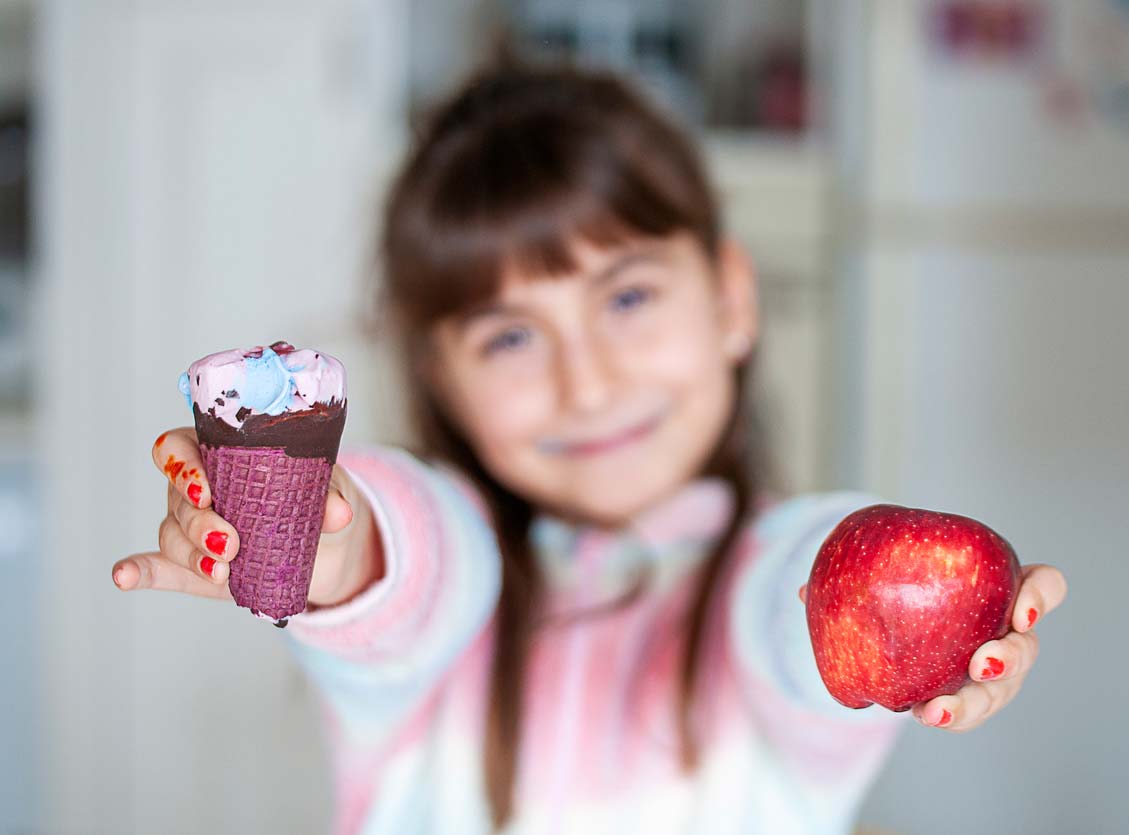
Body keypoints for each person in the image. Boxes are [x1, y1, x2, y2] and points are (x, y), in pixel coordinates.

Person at [113, 62, 1067, 835]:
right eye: (509, 337)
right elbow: (407, 567)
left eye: (627, 297)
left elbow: (793, 608)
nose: (588, 381)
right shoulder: (460, 571)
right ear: (440, 377)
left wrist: (896, 595)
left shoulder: (769, 588)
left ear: (731, 298)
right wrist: (319, 529)